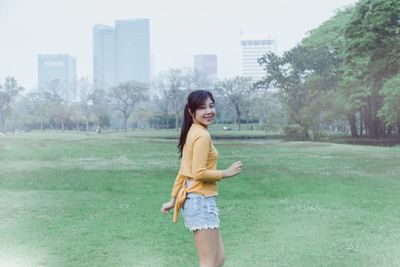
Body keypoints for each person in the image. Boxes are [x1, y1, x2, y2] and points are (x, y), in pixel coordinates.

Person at [161, 90, 242, 267]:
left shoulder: (194, 131)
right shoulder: (201, 135)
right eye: (202, 108)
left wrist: (173, 199)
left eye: (211, 106)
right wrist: (226, 173)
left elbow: (183, 171)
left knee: (218, 259)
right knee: (208, 262)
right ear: (191, 112)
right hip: (199, 201)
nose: (209, 111)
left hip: (199, 200)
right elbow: (198, 173)